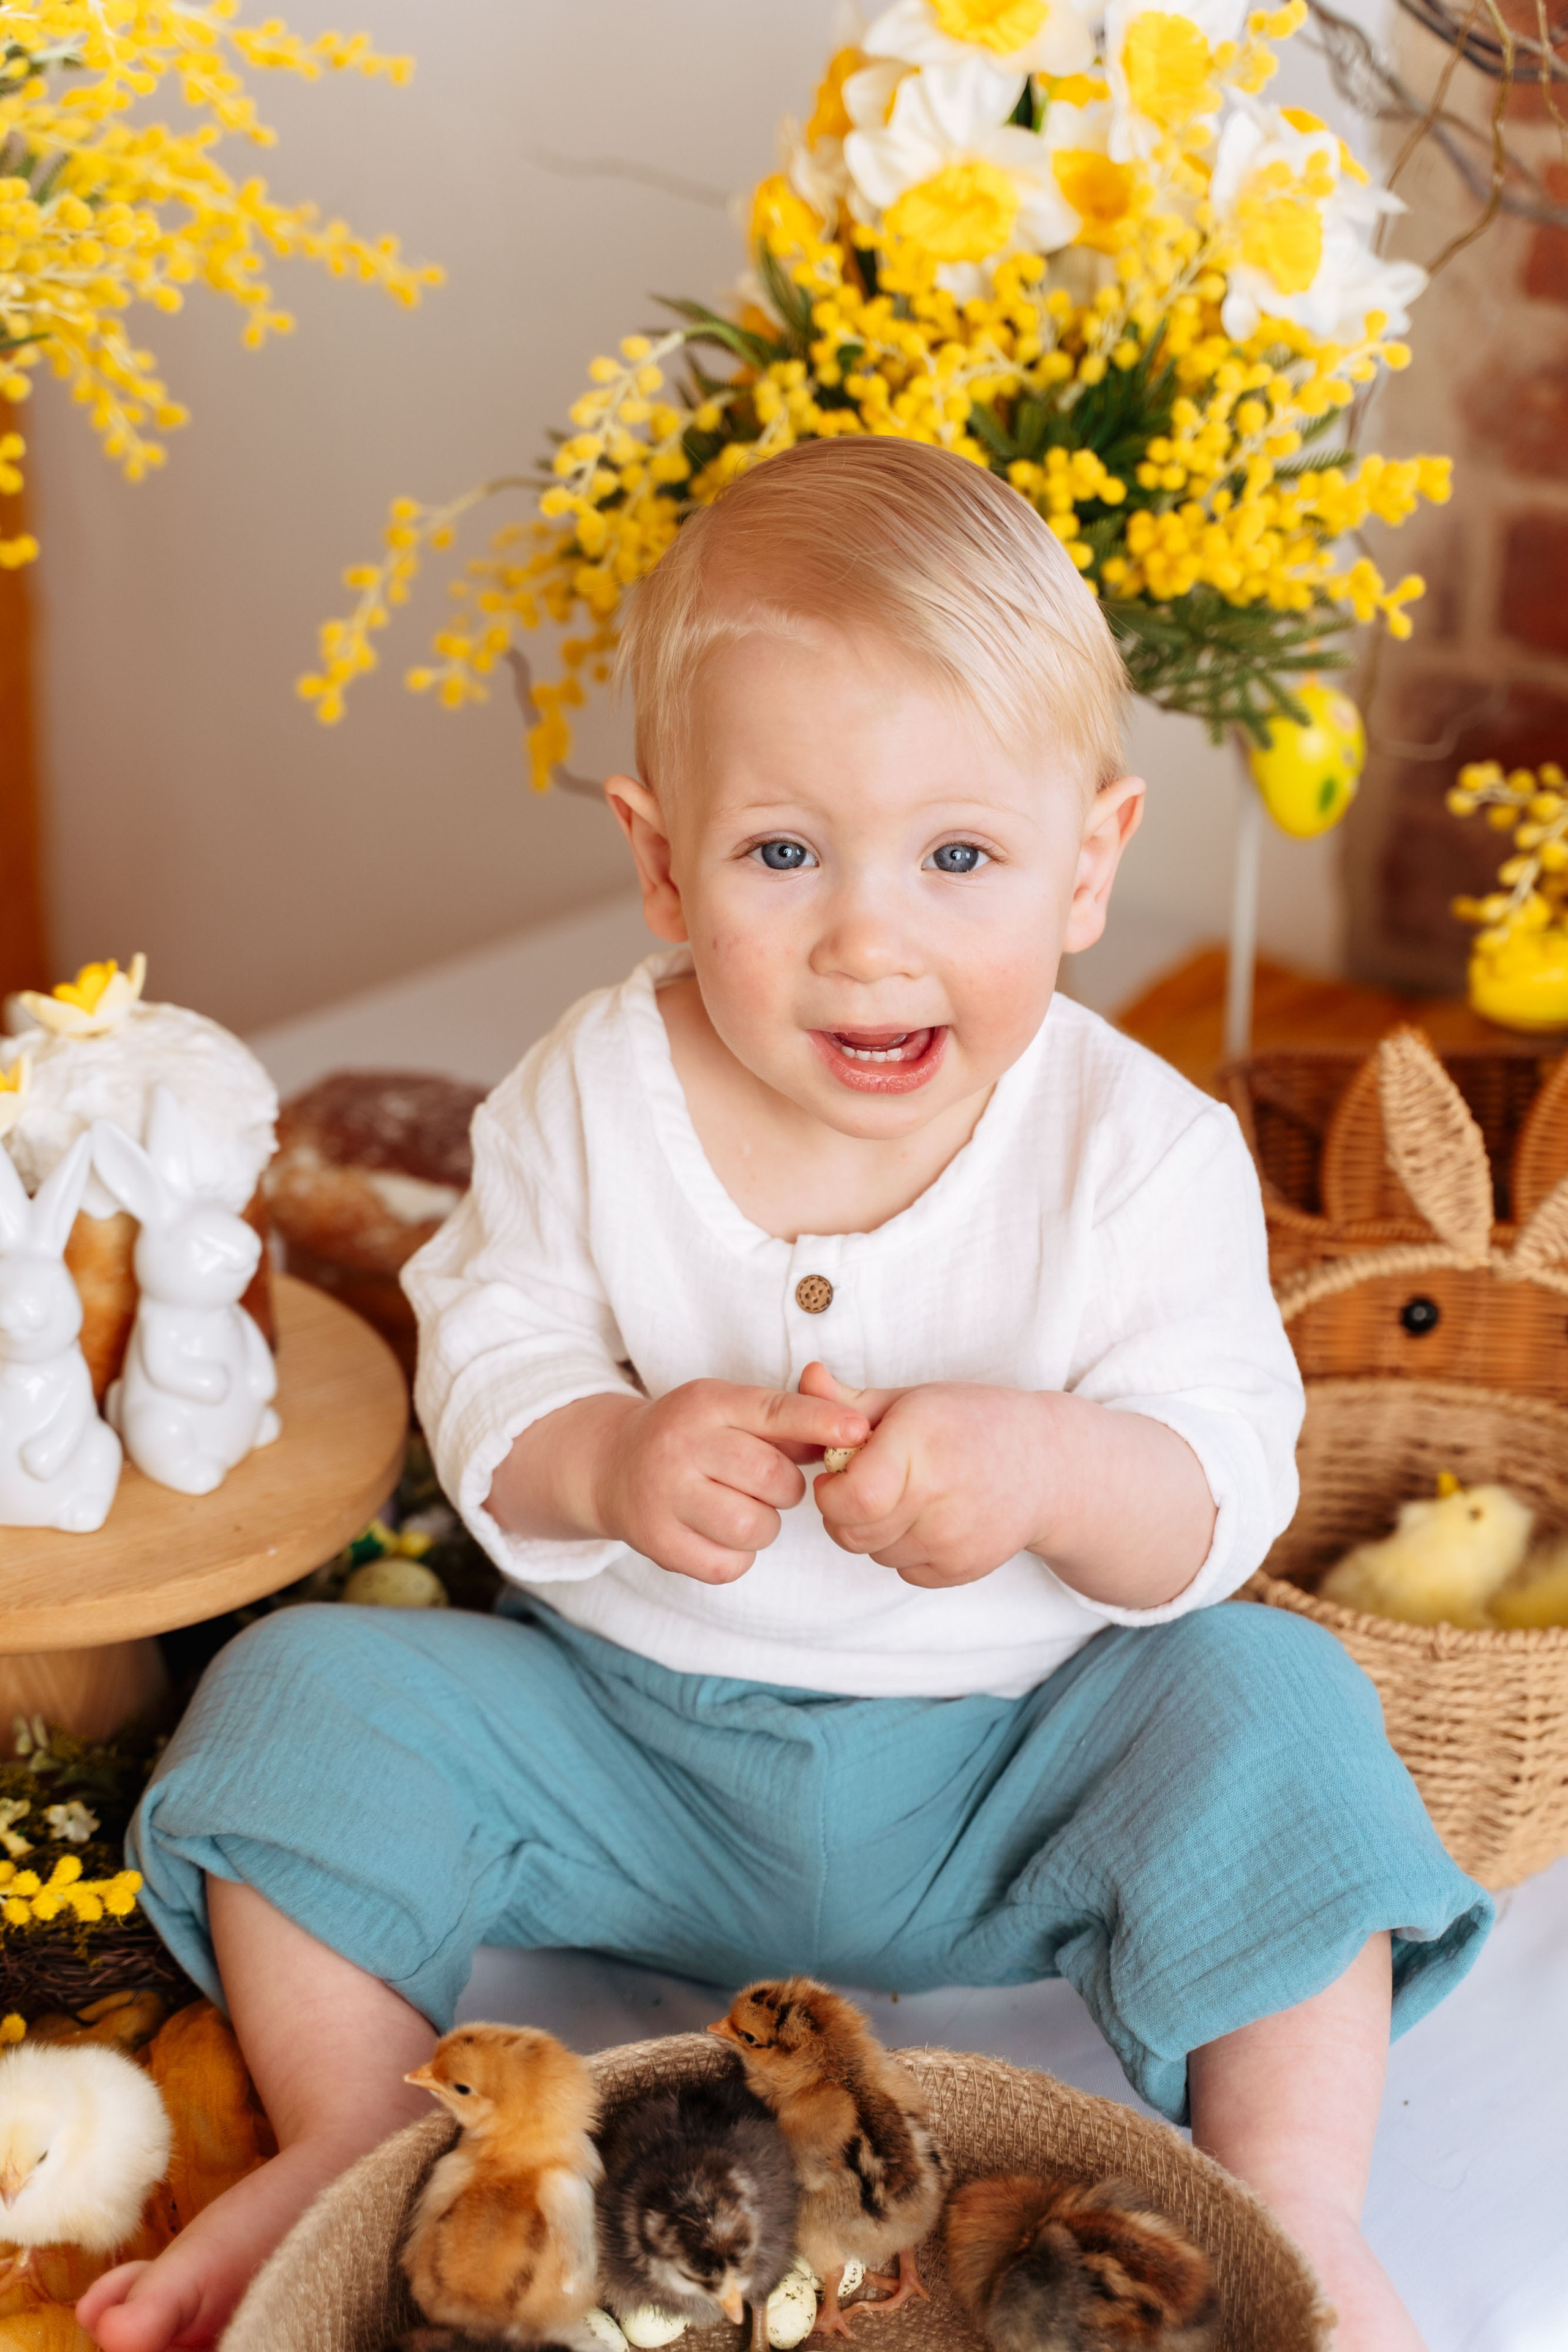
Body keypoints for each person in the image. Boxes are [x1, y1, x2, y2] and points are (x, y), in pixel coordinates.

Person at [83, 438, 1488, 2352]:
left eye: (960, 859)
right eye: (782, 854)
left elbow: (1226, 1481)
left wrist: (1053, 1469)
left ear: (1089, 863)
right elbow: (491, 1362)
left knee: (1277, 1700)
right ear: (662, 859)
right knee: (302, 1691)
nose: (868, 938)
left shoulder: (1137, 1147)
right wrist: (610, 1456)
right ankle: (349, 2130)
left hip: (1024, 1771)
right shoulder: (590, 1094)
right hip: (628, 1752)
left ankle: (1294, 2201)